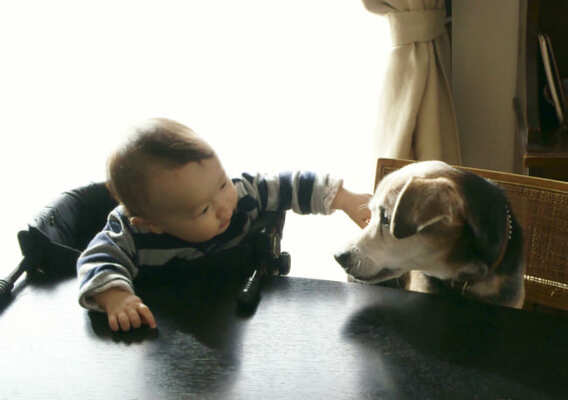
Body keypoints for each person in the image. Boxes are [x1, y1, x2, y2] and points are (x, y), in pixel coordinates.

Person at [77, 118, 372, 332]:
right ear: (152, 224)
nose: (223, 206)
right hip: (172, 329)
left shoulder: (242, 194)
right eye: (204, 208)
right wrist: (116, 297)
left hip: (243, 317)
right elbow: (96, 258)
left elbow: (290, 184)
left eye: (221, 183)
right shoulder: (131, 233)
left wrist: (344, 199)